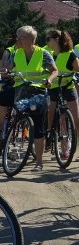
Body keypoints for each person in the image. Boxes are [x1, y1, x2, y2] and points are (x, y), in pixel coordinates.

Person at [0, 25, 58, 172]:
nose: (18, 40)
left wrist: (49, 80)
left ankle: (39, 162)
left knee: (38, 126)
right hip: (20, 89)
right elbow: (9, 68)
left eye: (21, 37)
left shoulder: (42, 54)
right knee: (1, 98)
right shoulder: (17, 53)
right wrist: (4, 72)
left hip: (37, 91)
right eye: (18, 37)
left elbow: (55, 70)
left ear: (30, 39)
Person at [44, 29, 79, 160]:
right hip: (54, 89)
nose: (46, 41)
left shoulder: (70, 55)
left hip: (68, 88)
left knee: (77, 119)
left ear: (56, 40)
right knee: (57, 118)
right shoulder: (48, 54)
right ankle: (64, 149)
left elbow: (78, 68)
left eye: (48, 39)